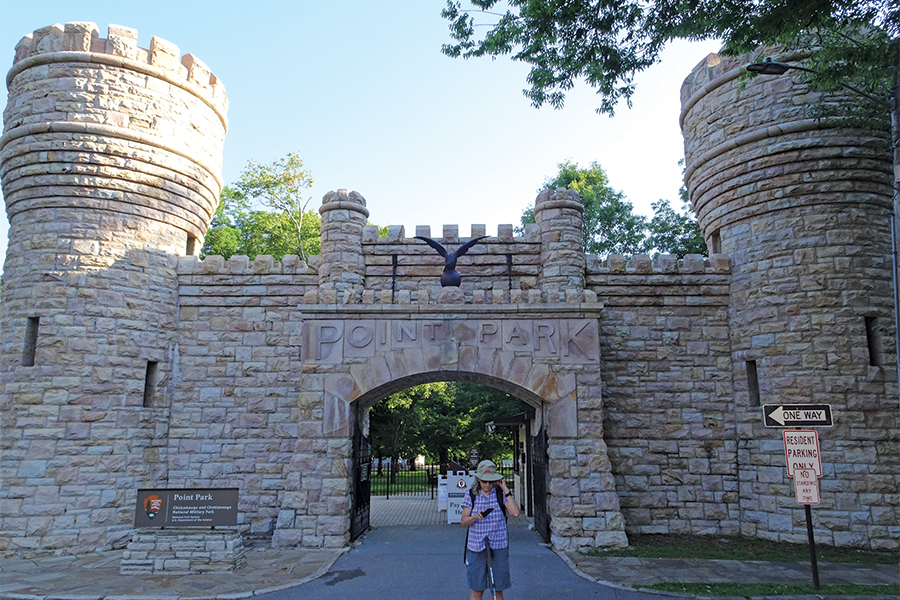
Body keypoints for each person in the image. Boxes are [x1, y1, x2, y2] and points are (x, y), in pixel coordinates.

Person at [460, 459, 520, 600]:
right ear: (478, 479)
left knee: (497, 590)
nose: (487, 485)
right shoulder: (471, 495)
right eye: (484, 481)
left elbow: (515, 513)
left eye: (490, 481)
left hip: (498, 546)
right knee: (477, 590)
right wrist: (475, 517)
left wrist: (505, 489)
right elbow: (463, 522)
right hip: (476, 547)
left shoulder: (500, 494)